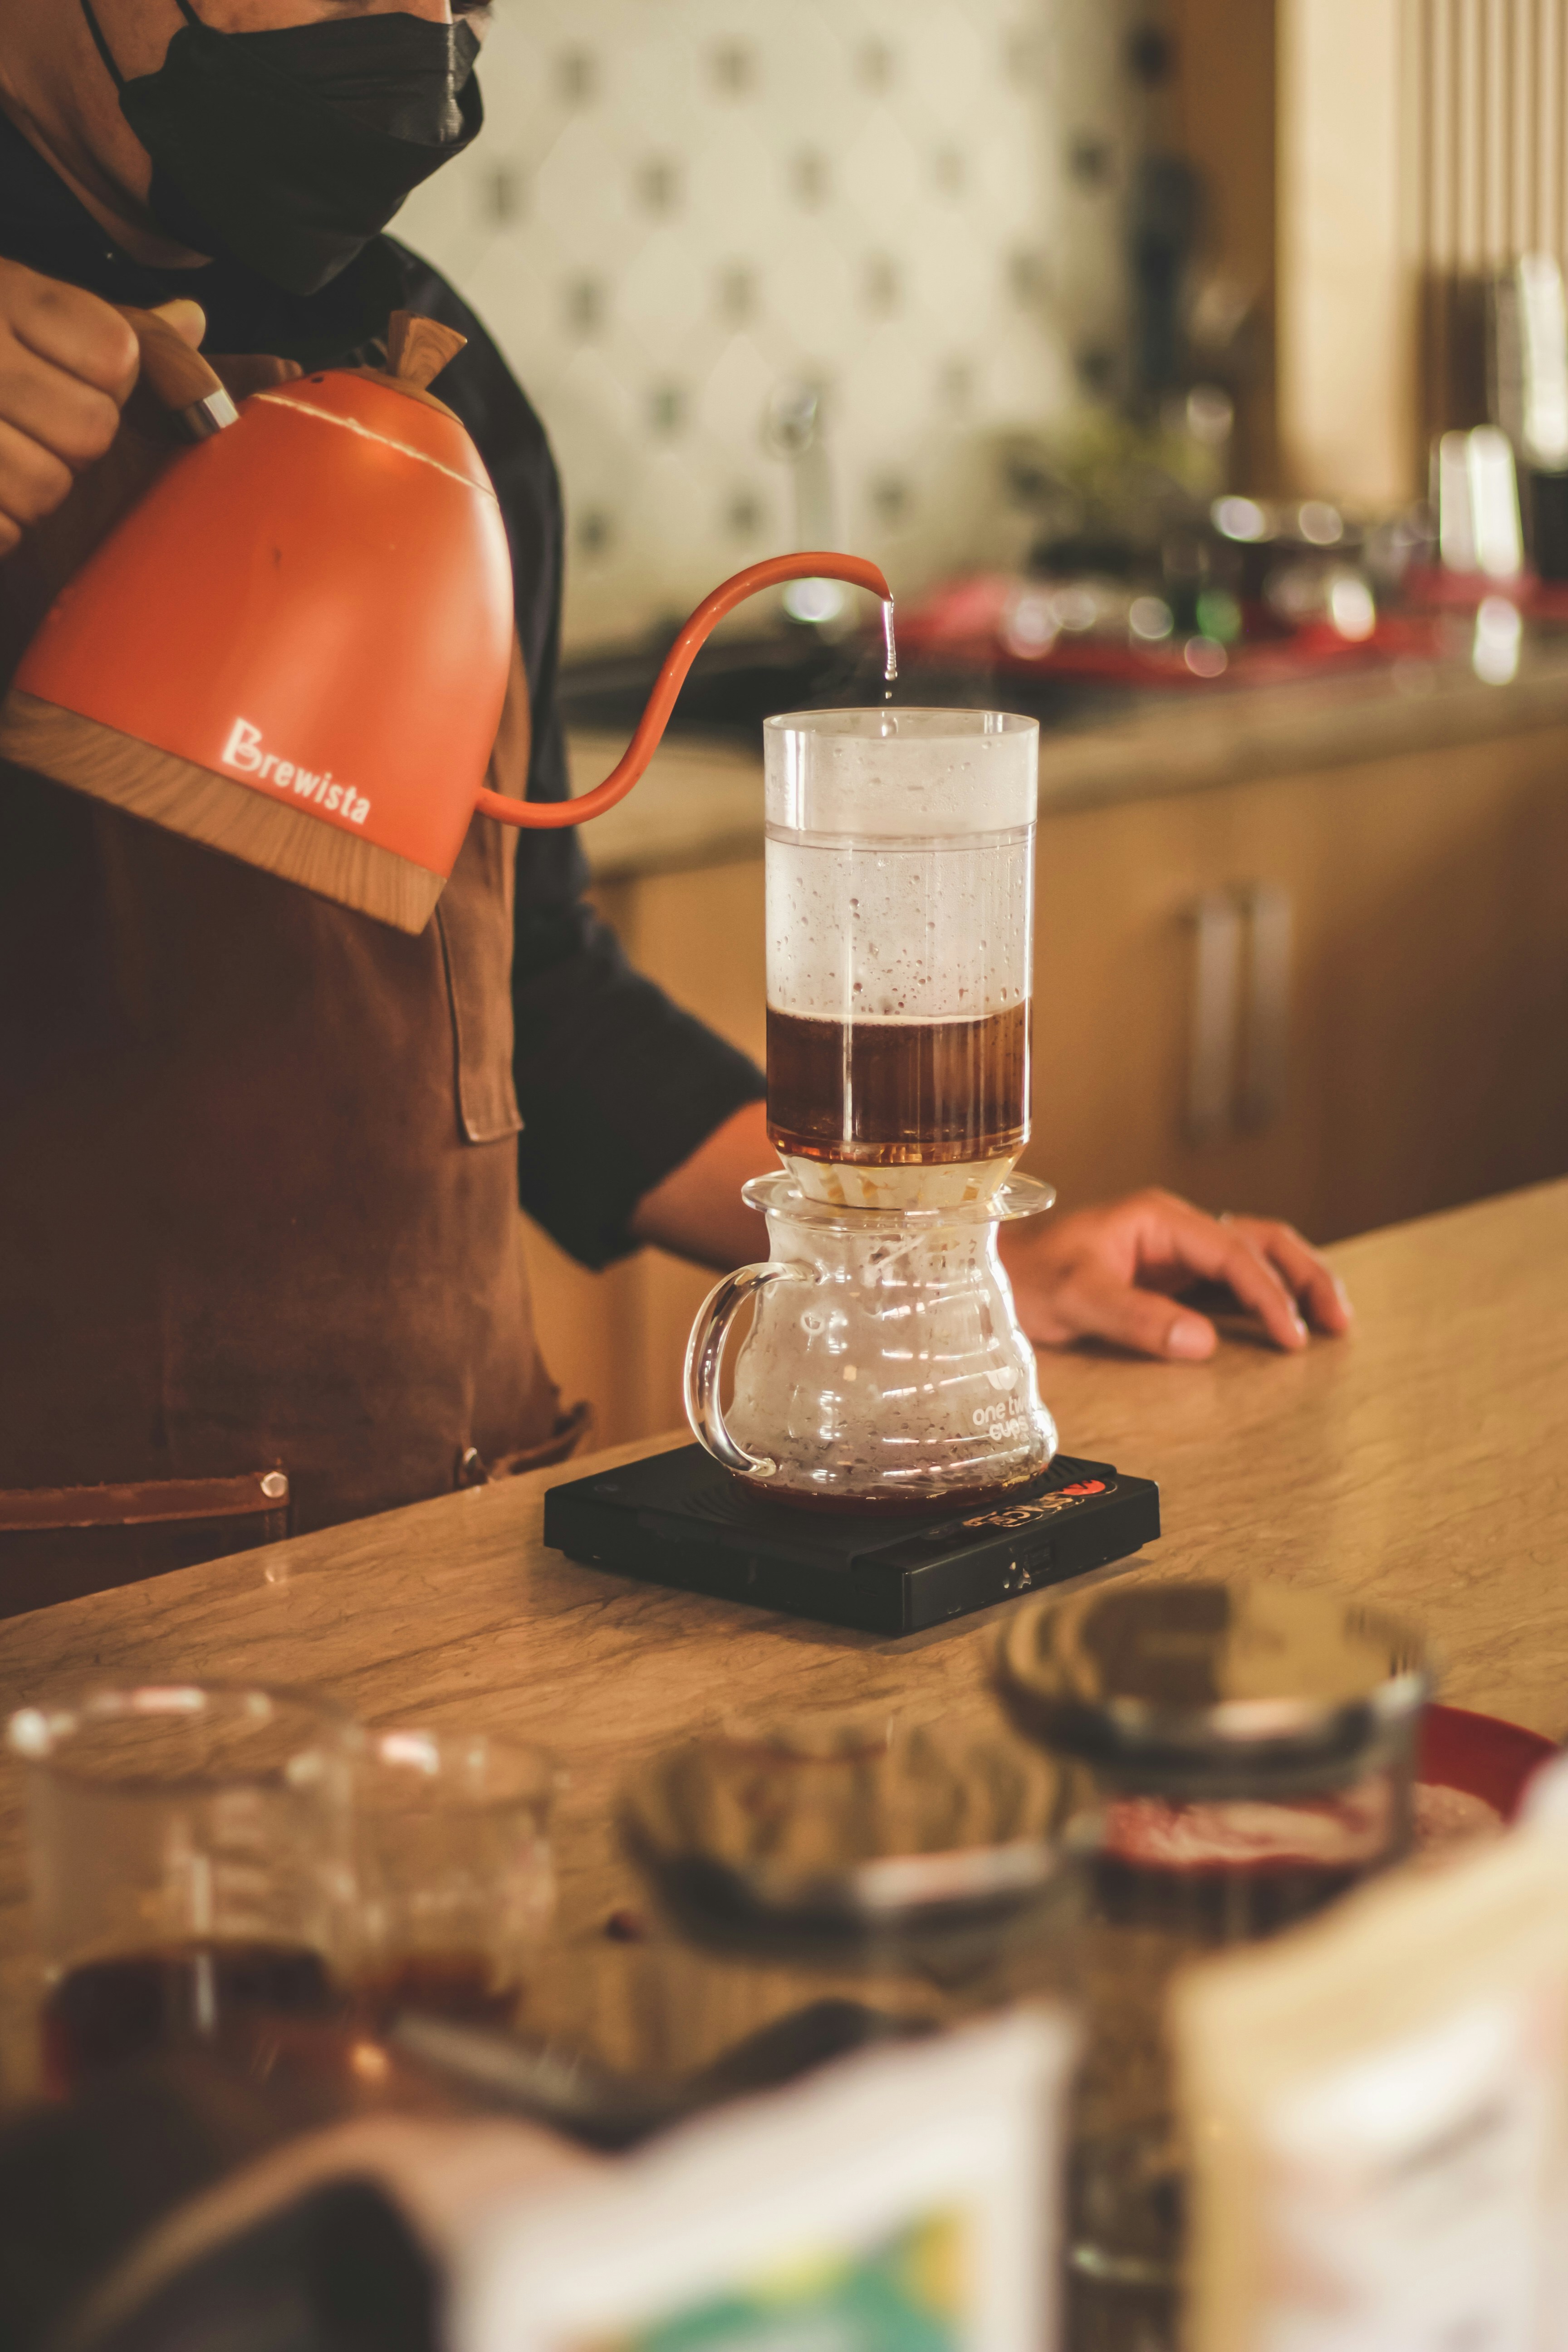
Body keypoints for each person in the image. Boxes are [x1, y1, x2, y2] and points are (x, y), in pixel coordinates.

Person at [0, 0, 1351, 1586]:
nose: (420, 30)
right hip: (77, 1604)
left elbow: (531, 997)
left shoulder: (438, 379)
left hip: (448, 1533)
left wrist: (949, 1269)